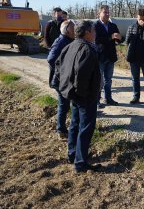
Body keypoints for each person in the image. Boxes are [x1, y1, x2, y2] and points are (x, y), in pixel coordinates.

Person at [56, 20, 102, 173]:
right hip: (85, 96)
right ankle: (81, 162)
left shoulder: (70, 46)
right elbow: (82, 74)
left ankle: (73, 154)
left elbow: (58, 65)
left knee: (75, 124)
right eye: (93, 31)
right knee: (86, 127)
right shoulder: (87, 49)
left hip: (74, 94)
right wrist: (83, 94)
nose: (95, 34)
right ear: (87, 33)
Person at [47, 20, 76, 139]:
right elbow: (51, 59)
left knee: (65, 105)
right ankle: (61, 130)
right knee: (64, 105)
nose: (75, 29)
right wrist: (62, 72)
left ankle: (62, 128)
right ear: (67, 29)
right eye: (73, 28)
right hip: (60, 80)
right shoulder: (61, 42)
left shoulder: (68, 40)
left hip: (65, 80)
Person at [94, 5, 122, 106]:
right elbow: (97, 40)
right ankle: (96, 100)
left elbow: (119, 38)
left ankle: (108, 98)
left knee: (108, 80)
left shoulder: (112, 25)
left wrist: (119, 38)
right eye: (104, 12)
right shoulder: (95, 26)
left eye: (108, 12)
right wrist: (110, 37)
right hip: (100, 56)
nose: (107, 14)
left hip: (110, 56)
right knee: (98, 81)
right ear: (99, 13)